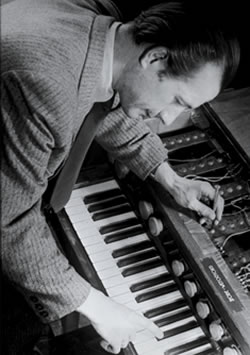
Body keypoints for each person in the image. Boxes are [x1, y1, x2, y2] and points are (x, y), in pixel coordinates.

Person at [1, 0, 240, 354]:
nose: (168, 118)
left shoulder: (101, 27)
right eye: (177, 100)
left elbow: (99, 102)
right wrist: (97, 305)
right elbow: (9, 222)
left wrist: (170, 178)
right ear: (156, 58)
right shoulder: (43, 82)